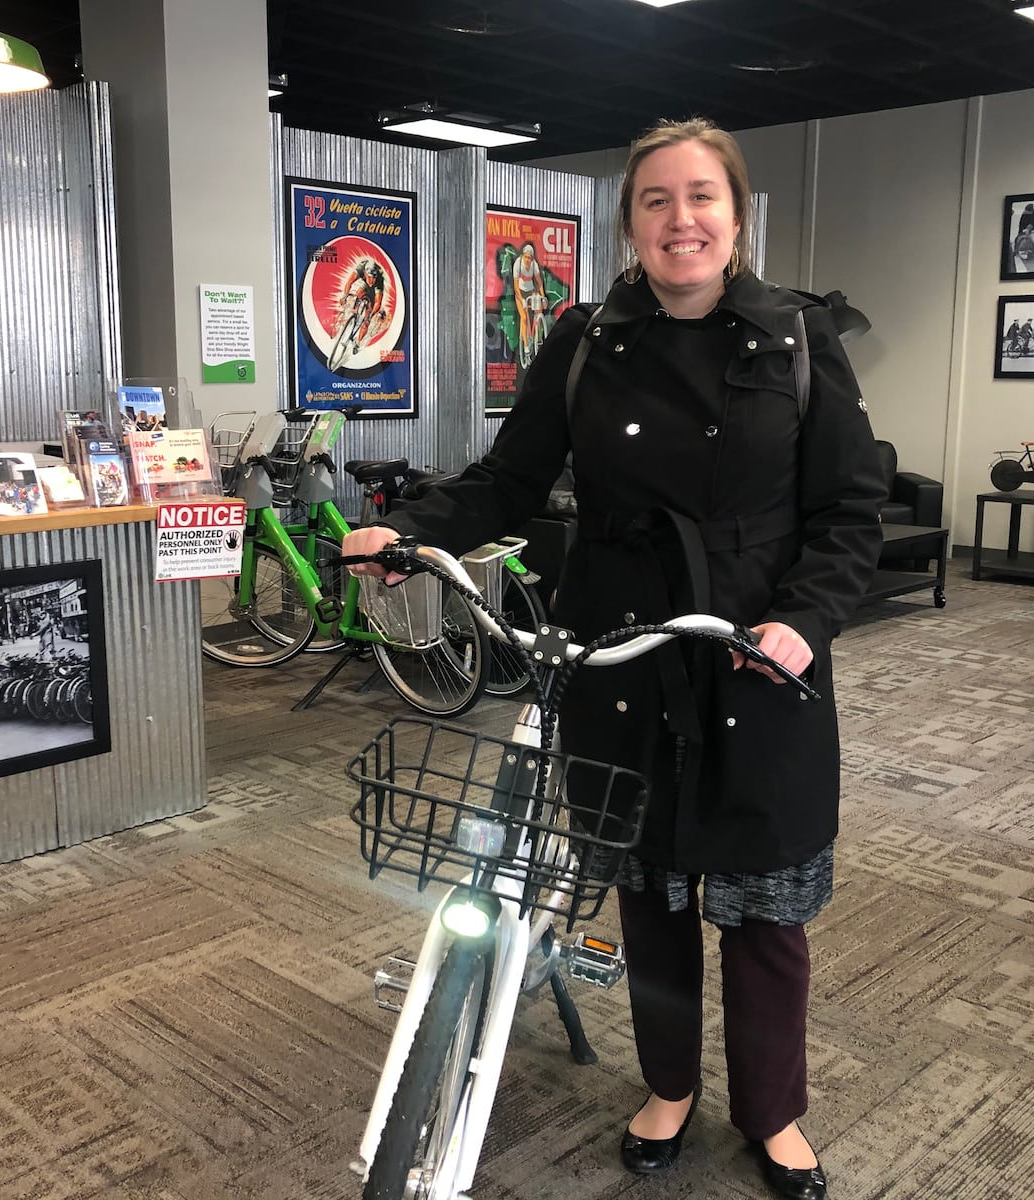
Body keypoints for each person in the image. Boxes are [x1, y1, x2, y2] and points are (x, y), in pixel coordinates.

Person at [342, 117, 884, 1200]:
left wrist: (802, 622)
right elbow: (508, 477)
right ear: (629, 220)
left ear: (735, 215)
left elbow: (848, 514)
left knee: (764, 908)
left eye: (701, 197)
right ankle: (670, 1088)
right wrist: (420, 531)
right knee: (652, 894)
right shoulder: (587, 338)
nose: (680, 219)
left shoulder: (797, 339)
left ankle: (773, 1113)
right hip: (620, 650)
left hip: (753, 657)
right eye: (654, 200)